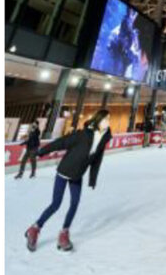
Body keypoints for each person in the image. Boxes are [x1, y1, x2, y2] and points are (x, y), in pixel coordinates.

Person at [23, 108, 112, 253]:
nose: (108, 122)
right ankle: (34, 228)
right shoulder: (83, 135)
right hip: (64, 171)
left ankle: (64, 233)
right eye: (106, 119)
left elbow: (97, 160)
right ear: (98, 120)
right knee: (56, 204)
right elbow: (62, 142)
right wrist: (42, 152)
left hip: (77, 175)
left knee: (74, 203)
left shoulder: (104, 138)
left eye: (109, 119)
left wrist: (92, 179)